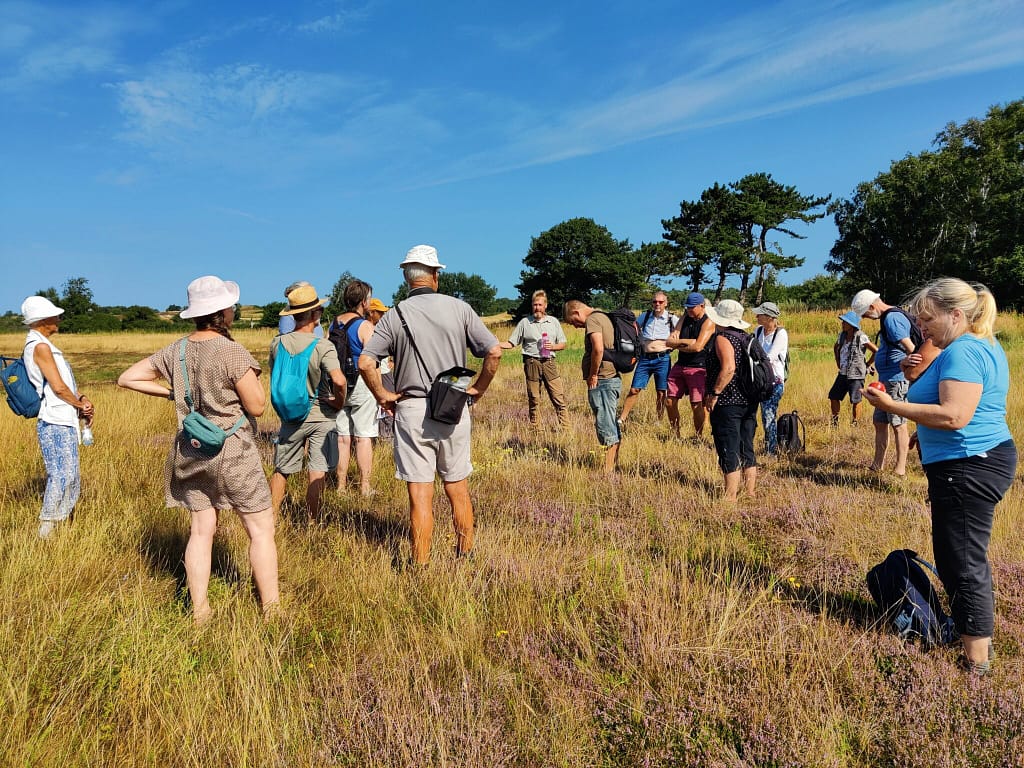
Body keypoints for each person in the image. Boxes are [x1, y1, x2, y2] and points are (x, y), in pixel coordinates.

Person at [864, 278, 1015, 675]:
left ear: (956, 315)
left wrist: (894, 405)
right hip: (971, 458)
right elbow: (967, 409)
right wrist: (922, 432)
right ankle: (973, 640)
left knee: (962, 563)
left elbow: (955, 415)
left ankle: (977, 662)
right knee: (957, 558)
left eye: (928, 319)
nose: (921, 328)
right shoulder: (981, 344)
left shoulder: (963, 350)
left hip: (968, 464)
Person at [117, 276, 278, 622]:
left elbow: (127, 377)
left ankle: (200, 611)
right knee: (261, 529)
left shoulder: (177, 350)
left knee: (201, 531)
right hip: (234, 451)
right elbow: (258, 406)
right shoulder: (232, 351)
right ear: (223, 311)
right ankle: (271, 610)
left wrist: (174, 394)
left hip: (191, 450)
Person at [359, 245, 501, 565]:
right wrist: (477, 388)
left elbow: (367, 362)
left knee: (420, 493)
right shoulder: (460, 309)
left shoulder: (394, 316)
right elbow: (493, 353)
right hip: (453, 405)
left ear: (408, 279)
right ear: (435, 275)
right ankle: (465, 553)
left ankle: (419, 564)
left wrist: (383, 395)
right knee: (456, 484)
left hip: (411, 408)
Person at [269, 283, 347, 522]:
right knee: (317, 469)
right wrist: (338, 403)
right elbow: (340, 380)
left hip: (290, 415)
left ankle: (270, 518)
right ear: (316, 315)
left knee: (282, 469)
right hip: (320, 414)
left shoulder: (277, 343)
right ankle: (312, 520)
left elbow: (275, 375)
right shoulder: (323, 346)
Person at [21, 296, 94, 539]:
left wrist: (80, 399)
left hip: (62, 418)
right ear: (43, 320)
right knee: (62, 474)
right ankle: (47, 526)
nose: (59, 319)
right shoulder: (40, 347)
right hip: (53, 420)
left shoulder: (44, 345)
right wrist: (80, 405)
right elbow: (58, 387)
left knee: (70, 474)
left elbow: (65, 386)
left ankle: (58, 523)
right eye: (55, 315)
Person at [852, 289, 932, 476]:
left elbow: (913, 350)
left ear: (872, 306)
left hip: (897, 380)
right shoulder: (890, 317)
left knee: (898, 423)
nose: (866, 317)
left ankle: (900, 469)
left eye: (865, 313)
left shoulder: (891, 319)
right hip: (886, 379)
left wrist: (907, 364)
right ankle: (877, 464)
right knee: (879, 422)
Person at [703, 299, 758, 502]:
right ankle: (750, 492)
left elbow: (728, 368)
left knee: (728, 445)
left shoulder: (723, 338)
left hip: (728, 402)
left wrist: (715, 392)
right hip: (749, 400)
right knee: (746, 445)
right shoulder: (746, 337)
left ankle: (730, 496)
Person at [330, 279, 378, 496]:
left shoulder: (333, 324)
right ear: (364, 303)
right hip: (361, 383)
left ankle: (340, 485)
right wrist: (380, 390)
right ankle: (365, 486)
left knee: (342, 436)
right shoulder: (365, 326)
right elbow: (371, 360)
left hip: (338, 383)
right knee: (363, 435)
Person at [563, 300, 622, 473]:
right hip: (611, 378)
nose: (575, 326)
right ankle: (612, 465)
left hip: (603, 380)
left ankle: (608, 470)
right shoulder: (604, 316)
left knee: (606, 425)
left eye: (573, 322)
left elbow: (598, 349)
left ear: (577, 312)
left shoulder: (593, 320)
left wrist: (593, 374)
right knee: (610, 422)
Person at [499, 289, 569, 428]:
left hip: (549, 362)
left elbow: (563, 344)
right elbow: (511, 343)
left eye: (540, 305)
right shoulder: (525, 322)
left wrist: (552, 347)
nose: (537, 307)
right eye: (535, 305)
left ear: (545, 306)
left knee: (558, 396)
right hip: (531, 362)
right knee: (534, 398)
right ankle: (535, 429)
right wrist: (496, 343)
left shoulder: (553, 322)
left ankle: (566, 428)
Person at [619, 291, 676, 428]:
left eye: (660, 302)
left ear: (666, 303)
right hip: (645, 359)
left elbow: (680, 332)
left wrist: (673, 344)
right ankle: (622, 418)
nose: (657, 304)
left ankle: (659, 420)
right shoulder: (645, 316)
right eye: (655, 301)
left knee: (661, 391)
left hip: (662, 359)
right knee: (634, 389)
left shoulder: (672, 319)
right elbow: (633, 329)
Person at [665, 292, 715, 439]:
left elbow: (698, 347)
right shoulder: (685, 317)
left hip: (699, 367)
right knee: (669, 401)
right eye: (687, 307)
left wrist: (678, 344)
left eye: (692, 307)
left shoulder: (709, 322)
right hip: (680, 364)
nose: (689, 310)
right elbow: (669, 341)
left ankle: (698, 436)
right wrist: (689, 342)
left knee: (696, 404)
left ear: (702, 306)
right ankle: (676, 433)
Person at [752, 302, 789, 455]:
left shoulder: (781, 334)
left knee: (768, 416)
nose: (756, 316)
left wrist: (754, 361)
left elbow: (770, 357)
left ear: (769, 317)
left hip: (774, 382)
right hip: (758, 379)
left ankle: (771, 451)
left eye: (760, 314)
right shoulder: (758, 331)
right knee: (754, 415)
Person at [829, 310, 877, 427]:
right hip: (843, 372)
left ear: (851, 325)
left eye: (845, 322)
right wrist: (838, 361)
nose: (842, 324)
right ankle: (835, 422)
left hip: (856, 373)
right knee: (833, 396)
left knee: (856, 399)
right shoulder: (842, 336)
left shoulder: (861, 337)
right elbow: (836, 347)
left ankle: (855, 423)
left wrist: (867, 364)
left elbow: (876, 350)